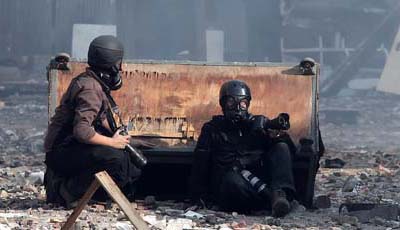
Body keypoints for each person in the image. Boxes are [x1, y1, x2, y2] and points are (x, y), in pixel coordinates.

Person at [44, 35, 141, 208]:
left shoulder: (93, 82)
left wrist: (118, 135)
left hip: (70, 149)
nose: (121, 68)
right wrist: (112, 142)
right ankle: (66, 191)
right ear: (111, 65)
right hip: (61, 152)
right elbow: (82, 131)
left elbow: (99, 116)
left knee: (128, 162)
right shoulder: (90, 88)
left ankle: (95, 195)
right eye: (119, 63)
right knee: (114, 159)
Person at [189, 80, 296, 217]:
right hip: (229, 183)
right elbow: (200, 164)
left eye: (243, 103)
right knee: (232, 181)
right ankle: (269, 202)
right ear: (223, 104)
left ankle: (281, 196)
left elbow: (289, 154)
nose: (238, 108)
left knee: (281, 147)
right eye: (231, 103)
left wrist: (276, 135)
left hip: (257, 181)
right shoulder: (213, 129)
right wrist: (197, 197)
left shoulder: (256, 127)